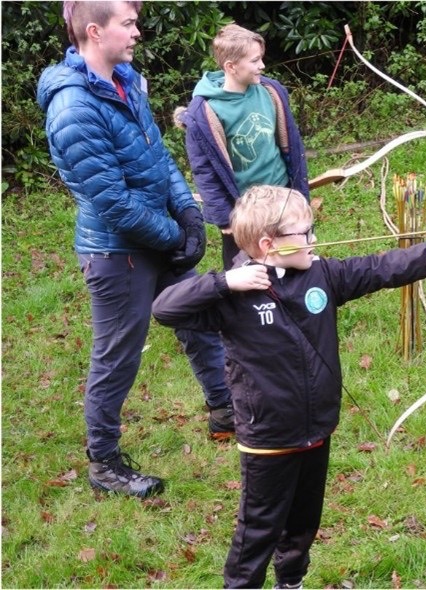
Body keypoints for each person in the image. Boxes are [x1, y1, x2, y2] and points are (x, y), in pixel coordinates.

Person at [152, 185, 426, 588]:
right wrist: (226, 283)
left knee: (303, 522)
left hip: (316, 427)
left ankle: (290, 581)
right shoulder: (234, 294)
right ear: (268, 244)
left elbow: (382, 267)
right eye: (304, 233)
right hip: (269, 435)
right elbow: (165, 309)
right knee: (259, 528)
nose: (314, 240)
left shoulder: (321, 274)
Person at [36, 0, 235, 499]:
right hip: (117, 253)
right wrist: (177, 237)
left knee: (198, 316)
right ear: (95, 31)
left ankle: (228, 413)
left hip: (159, 233)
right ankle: (104, 463)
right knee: (118, 357)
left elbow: (156, 155)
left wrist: (187, 213)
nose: (137, 33)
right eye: (129, 24)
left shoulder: (126, 80)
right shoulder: (73, 107)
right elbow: (114, 203)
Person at [175, 23, 310, 271]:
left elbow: (292, 143)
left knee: (294, 261)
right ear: (231, 66)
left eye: (261, 59)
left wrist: (299, 191)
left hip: (283, 199)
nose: (262, 66)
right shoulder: (204, 112)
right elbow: (204, 171)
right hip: (244, 212)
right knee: (246, 271)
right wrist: (225, 218)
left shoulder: (271, 92)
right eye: (255, 60)